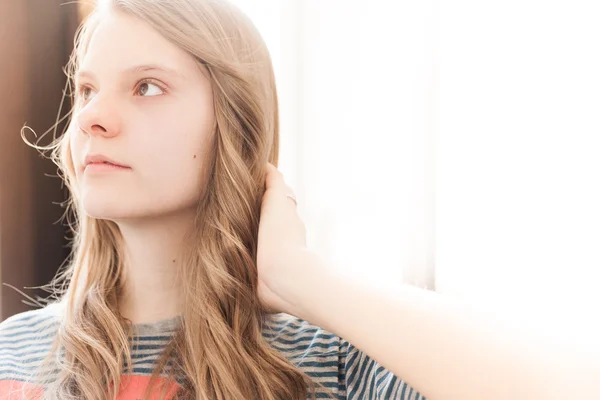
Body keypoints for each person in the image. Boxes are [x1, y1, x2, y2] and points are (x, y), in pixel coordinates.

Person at [0, 0, 597, 399]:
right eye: (86, 88)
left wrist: (302, 277)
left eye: (147, 86)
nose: (94, 117)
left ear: (232, 127)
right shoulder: (13, 356)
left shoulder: (327, 360)